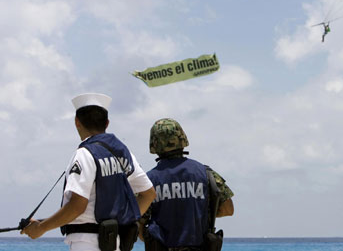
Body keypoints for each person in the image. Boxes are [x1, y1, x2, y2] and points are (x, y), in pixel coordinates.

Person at [21, 93, 156, 251]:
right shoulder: (122, 152)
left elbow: (77, 206)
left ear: (77, 122)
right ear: (107, 123)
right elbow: (148, 194)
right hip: (114, 242)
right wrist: (124, 220)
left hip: (86, 243)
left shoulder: (84, 154)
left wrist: (41, 228)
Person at [140, 118, 234, 251]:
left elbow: (139, 222)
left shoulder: (148, 180)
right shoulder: (206, 173)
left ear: (154, 144)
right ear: (182, 139)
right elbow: (228, 209)